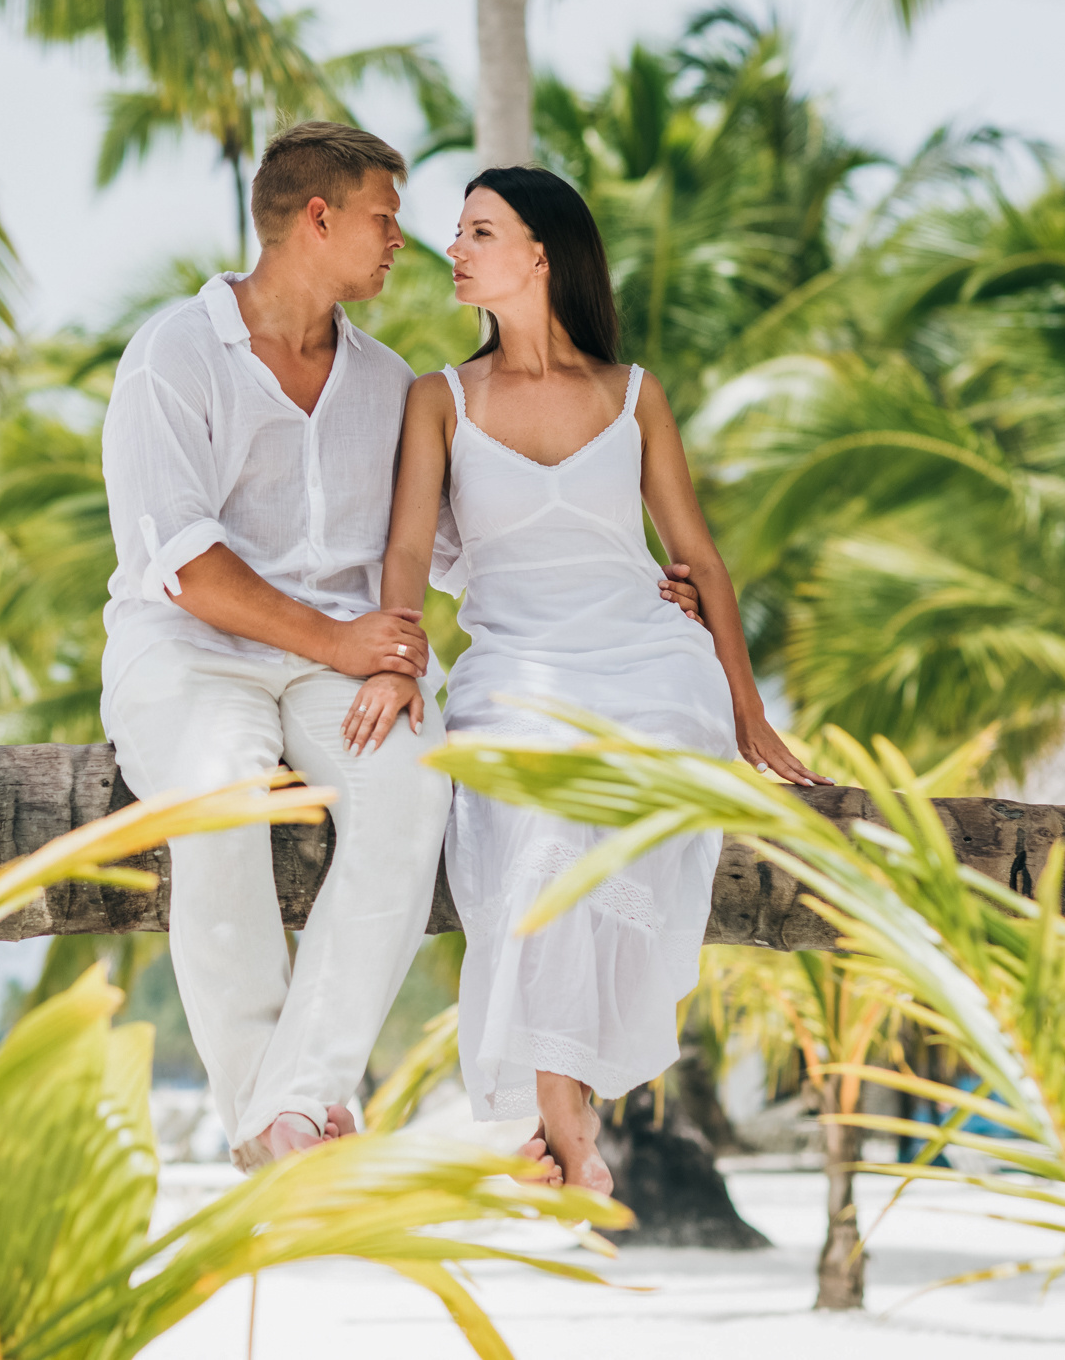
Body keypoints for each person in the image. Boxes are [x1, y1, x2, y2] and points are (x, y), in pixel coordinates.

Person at [344, 165, 826, 1196]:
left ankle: (558, 1113)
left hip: (647, 654)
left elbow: (698, 559)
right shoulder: (440, 400)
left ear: (540, 254)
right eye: (456, 232)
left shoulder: (634, 395)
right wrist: (395, 664)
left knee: (628, 792)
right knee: (543, 807)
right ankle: (564, 1109)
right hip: (514, 662)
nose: (455, 250)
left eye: (478, 231)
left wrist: (750, 717)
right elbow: (402, 559)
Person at [97, 121, 450, 1170]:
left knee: (411, 791)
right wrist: (341, 642)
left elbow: (438, 539)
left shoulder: (387, 383)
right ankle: (271, 1114)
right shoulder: (172, 353)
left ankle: (290, 1104)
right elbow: (188, 566)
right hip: (187, 650)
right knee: (219, 801)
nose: (399, 241)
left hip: (337, 661)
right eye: (384, 218)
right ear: (317, 217)